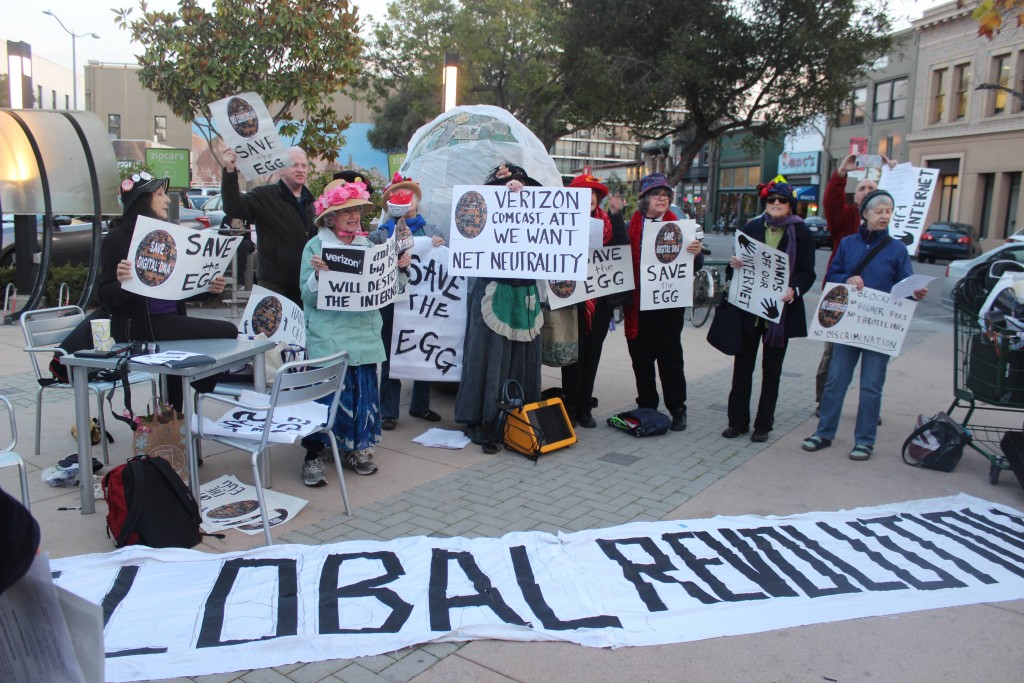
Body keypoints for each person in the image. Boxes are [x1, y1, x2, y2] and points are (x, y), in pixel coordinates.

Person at [802, 189, 928, 460]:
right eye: (879, 211)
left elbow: (905, 284)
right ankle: (824, 432)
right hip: (849, 324)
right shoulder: (848, 244)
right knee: (836, 381)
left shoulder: (897, 249)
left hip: (879, 328)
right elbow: (832, 275)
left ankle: (865, 440)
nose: (884, 216)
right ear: (865, 214)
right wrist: (847, 279)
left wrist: (915, 292)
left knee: (871, 386)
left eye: (888, 212)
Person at [299, 179, 411, 484]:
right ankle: (313, 455)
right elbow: (306, 295)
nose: (354, 216)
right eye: (346, 211)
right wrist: (318, 276)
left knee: (362, 397)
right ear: (330, 218)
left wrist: (400, 268)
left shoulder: (370, 247)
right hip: (330, 337)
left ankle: (356, 449)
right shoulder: (315, 247)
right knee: (325, 399)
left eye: (358, 210)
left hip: (363, 337)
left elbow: (392, 292)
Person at [98, 172, 238, 412]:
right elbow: (105, 297)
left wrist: (209, 289)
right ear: (142, 201)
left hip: (170, 319)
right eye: (160, 194)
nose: (167, 200)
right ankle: (201, 384)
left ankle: (175, 415)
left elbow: (179, 287)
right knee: (228, 330)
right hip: (139, 326)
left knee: (193, 346)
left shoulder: (167, 236)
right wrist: (125, 283)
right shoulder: (116, 239)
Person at [455, 163, 545, 453]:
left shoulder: (536, 212)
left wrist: (524, 193)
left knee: (523, 358)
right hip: (494, 288)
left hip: (525, 291)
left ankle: (518, 418)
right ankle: (481, 419)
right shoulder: (484, 213)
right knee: (487, 356)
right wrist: (503, 194)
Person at [722, 181, 816, 443]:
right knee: (742, 368)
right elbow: (735, 269)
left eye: (782, 200)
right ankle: (737, 422)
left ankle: (763, 425)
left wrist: (795, 289)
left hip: (780, 314)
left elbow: (807, 272)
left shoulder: (801, 232)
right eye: (771, 199)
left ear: (790, 206)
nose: (776, 203)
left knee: (772, 371)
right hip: (749, 311)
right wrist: (734, 264)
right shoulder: (751, 228)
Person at [624, 172, 704, 431]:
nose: (662, 198)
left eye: (666, 195)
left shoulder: (679, 227)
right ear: (644, 199)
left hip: (668, 305)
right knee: (641, 359)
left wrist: (696, 253)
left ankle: (677, 407)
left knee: (670, 359)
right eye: (656, 194)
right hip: (639, 306)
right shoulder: (631, 227)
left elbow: (692, 266)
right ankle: (647, 404)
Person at [815, 153, 891, 414]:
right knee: (833, 354)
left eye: (872, 188)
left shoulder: (887, 227)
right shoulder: (846, 218)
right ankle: (824, 400)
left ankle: (870, 407)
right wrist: (841, 174)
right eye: (862, 189)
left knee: (873, 359)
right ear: (856, 197)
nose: (867, 192)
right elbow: (831, 202)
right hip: (842, 297)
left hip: (874, 304)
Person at [377, 174, 446, 431]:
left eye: (409, 194)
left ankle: (420, 404)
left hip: (423, 304)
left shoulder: (432, 232)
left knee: (423, 349)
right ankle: (389, 410)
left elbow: (443, 263)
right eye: (399, 195)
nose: (405, 199)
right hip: (392, 304)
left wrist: (440, 245)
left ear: (416, 201)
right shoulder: (381, 234)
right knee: (390, 354)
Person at [559, 173, 628, 427]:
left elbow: (621, 249)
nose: (589, 197)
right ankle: (570, 406)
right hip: (572, 301)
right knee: (572, 356)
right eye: (583, 192)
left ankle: (584, 408)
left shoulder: (608, 223)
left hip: (599, 302)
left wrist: (617, 215)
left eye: (593, 193)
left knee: (592, 355)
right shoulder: (562, 222)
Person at [220, 146, 315, 305]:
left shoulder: (312, 202)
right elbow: (234, 207)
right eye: (294, 165)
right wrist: (230, 172)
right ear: (281, 170)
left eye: (304, 166)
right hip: (275, 283)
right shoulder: (264, 195)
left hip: (306, 280)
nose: (300, 170)